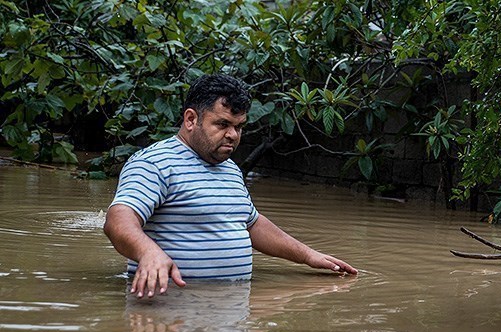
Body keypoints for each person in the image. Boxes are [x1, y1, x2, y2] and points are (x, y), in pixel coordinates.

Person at [104, 73, 357, 298]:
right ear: (191, 119)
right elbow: (118, 221)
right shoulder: (155, 163)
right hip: (169, 308)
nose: (233, 135)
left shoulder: (230, 169)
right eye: (222, 124)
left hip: (227, 314)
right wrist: (148, 252)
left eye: (239, 127)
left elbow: (252, 224)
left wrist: (308, 256)